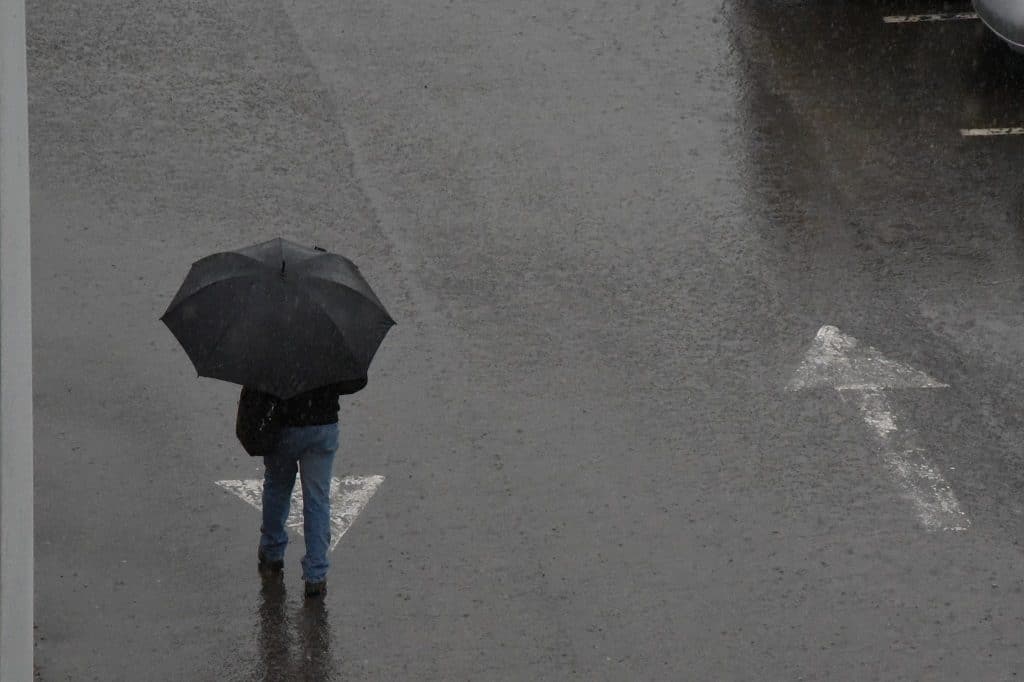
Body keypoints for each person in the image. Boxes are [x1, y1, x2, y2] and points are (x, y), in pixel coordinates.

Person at [256, 376, 367, 598]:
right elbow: (356, 381)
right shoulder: (330, 342)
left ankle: (272, 551)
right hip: (322, 425)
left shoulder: (271, 342)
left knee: (277, 487)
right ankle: (316, 574)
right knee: (317, 499)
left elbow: (255, 382)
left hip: (282, 424)